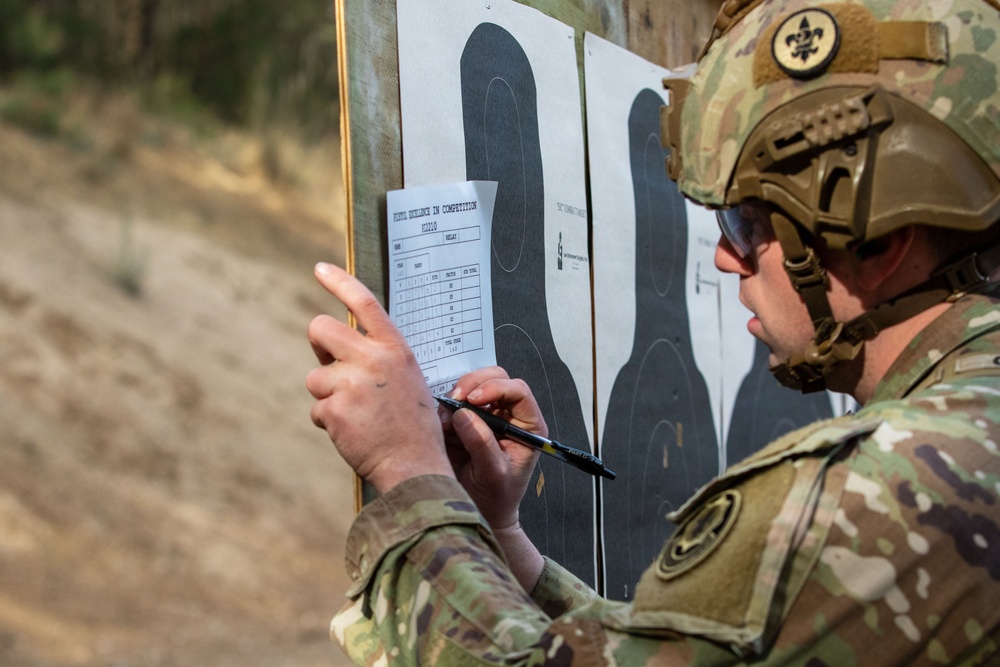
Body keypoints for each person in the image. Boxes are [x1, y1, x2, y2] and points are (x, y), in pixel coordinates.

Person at [306, 0, 1000, 663]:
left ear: (881, 242)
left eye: (750, 225)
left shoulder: (883, 490)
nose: (727, 255)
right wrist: (504, 541)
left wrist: (408, 472)